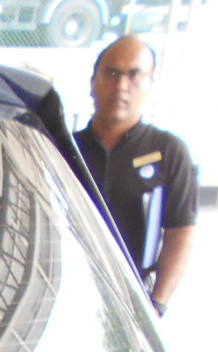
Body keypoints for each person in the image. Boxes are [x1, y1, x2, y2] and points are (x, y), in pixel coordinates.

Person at [75, 36, 197, 317]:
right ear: (93, 83)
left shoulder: (169, 151)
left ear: (150, 84)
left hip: (134, 301)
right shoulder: (65, 149)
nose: (121, 85)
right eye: (112, 73)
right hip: (70, 294)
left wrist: (156, 305)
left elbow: (180, 233)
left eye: (134, 75)